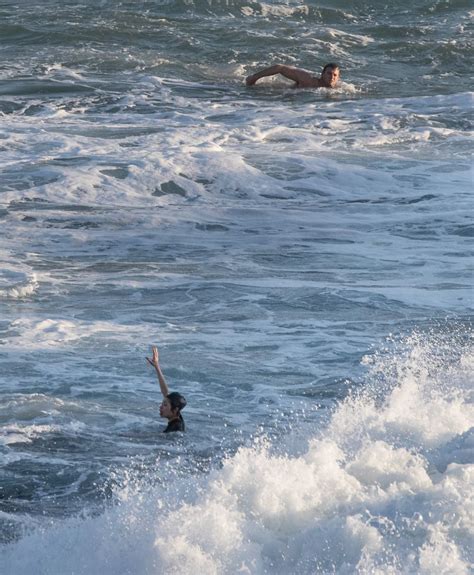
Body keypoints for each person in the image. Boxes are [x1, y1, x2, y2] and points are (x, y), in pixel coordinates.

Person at [146, 345, 186, 433]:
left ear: (175, 410)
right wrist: (157, 366)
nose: (161, 407)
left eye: (165, 405)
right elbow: (165, 392)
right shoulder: (177, 416)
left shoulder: (174, 429)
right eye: (163, 404)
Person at [246, 62, 340, 89]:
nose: (332, 77)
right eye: (329, 73)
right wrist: (254, 78)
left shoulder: (340, 89)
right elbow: (280, 68)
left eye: (335, 75)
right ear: (322, 74)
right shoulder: (308, 80)